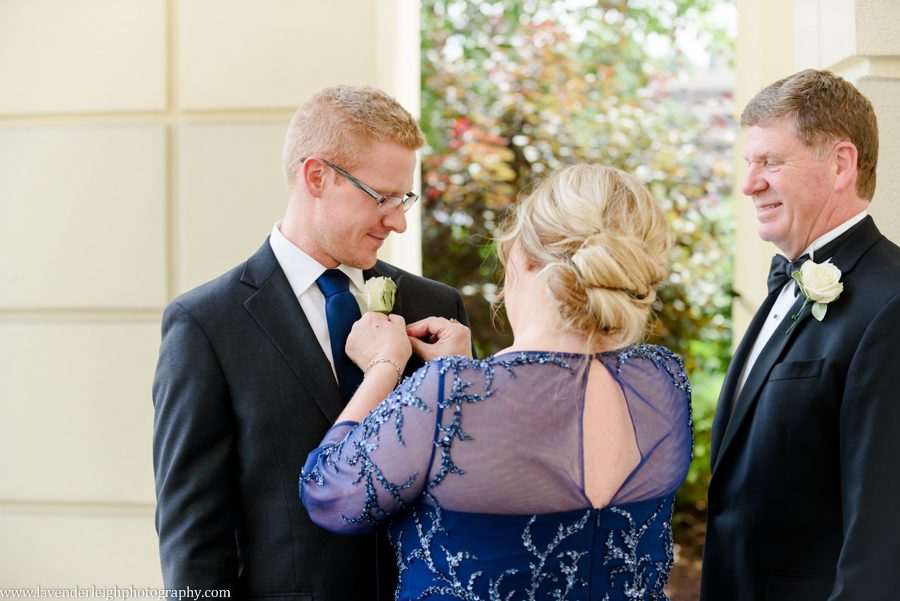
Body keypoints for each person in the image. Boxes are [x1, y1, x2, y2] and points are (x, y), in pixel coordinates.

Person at [300, 163, 693, 601]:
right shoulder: (663, 379)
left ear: (521, 255)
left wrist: (385, 366)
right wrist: (457, 381)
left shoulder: (450, 392)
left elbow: (330, 494)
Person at [152, 84, 470, 600]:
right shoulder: (205, 325)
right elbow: (193, 532)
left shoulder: (437, 309)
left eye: (403, 198)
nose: (399, 220)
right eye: (382, 197)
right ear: (317, 176)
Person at [701, 69, 900, 601]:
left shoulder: (892, 303)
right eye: (749, 163)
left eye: (770, 162)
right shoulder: (785, 280)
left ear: (840, 165)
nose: (749, 183)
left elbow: (884, 527)